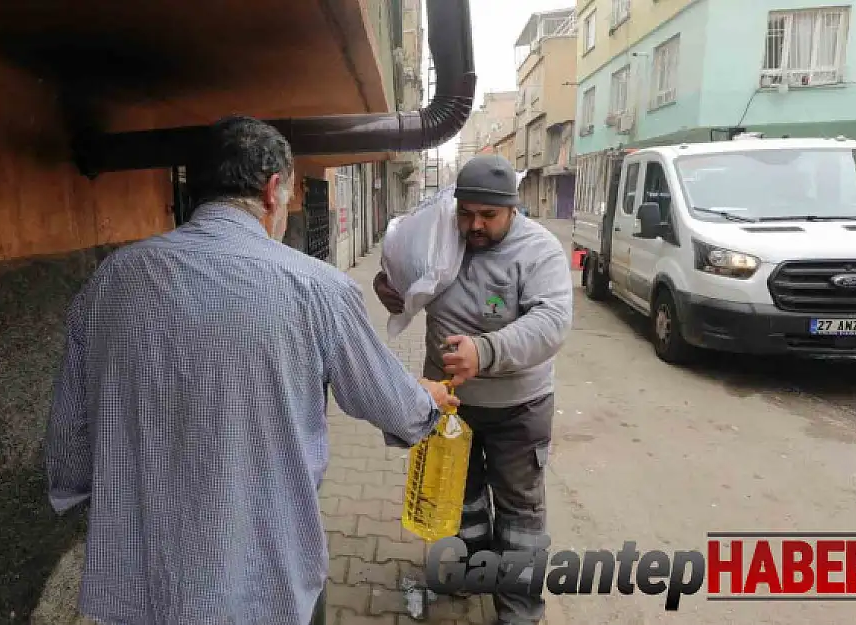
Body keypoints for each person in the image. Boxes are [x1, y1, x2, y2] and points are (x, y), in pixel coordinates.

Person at [44, 115, 459, 625]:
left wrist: (82, 493)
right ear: (272, 191)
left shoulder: (111, 281)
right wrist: (428, 401)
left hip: (144, 581)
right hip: (265, 580)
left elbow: (69, 438)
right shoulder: (318, 288)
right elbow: (396, 407)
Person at [373, 154, 573, 625]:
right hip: (450, 408)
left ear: (513, 209)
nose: (475, 225)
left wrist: (484, 351)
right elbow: (415, 282)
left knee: (520, 515)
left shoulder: (539, 251)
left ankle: (519, 611)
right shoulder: (444, 238)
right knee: (462, 502)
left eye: (488, 215)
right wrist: (397, 290)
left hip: (517, 408)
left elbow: (552, 322)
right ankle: (474, 571)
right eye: (466, 213)